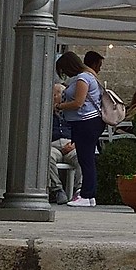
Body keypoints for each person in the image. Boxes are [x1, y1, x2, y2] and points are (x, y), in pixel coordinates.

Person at [52, 51, 104, 196]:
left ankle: (87, 194)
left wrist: (60, 106)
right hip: (84, 123)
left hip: (86, 122)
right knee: (84, 158)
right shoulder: (87, 76)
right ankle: (88, 194)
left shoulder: (83, 78)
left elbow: (78, 103)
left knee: (86, 159)